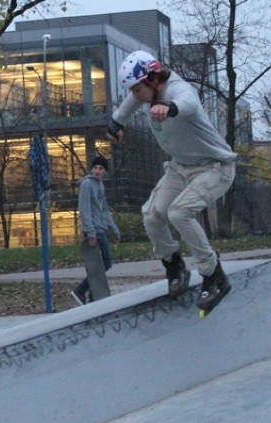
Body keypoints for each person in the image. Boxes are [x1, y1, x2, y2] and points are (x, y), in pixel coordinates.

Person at [107, 51, 236, 311]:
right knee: (152, 215)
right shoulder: (144, 93)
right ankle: (174, 266)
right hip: (181, 168)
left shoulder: (178, 89)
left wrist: (171, 108)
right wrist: (116, 123)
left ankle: (214, 276)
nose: (136, 96)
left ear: (153, 79)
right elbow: (128, 105)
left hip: (215, 168)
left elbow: (188, 101)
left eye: (138, 89)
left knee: (179, 212)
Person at [71, 154, 120, 305]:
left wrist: (114, 229)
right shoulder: (86, 185)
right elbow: (84, 209)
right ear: (91, 169)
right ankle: (80, 290)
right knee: (106, 262)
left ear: (104, 171)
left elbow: (104, 210)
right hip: (93, 230)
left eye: (101, 168)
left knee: (99, 264)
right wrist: (90, 232)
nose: (98, 171)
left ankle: (94, 296)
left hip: (100, 228)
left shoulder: (100, 185)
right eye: (95, 168)